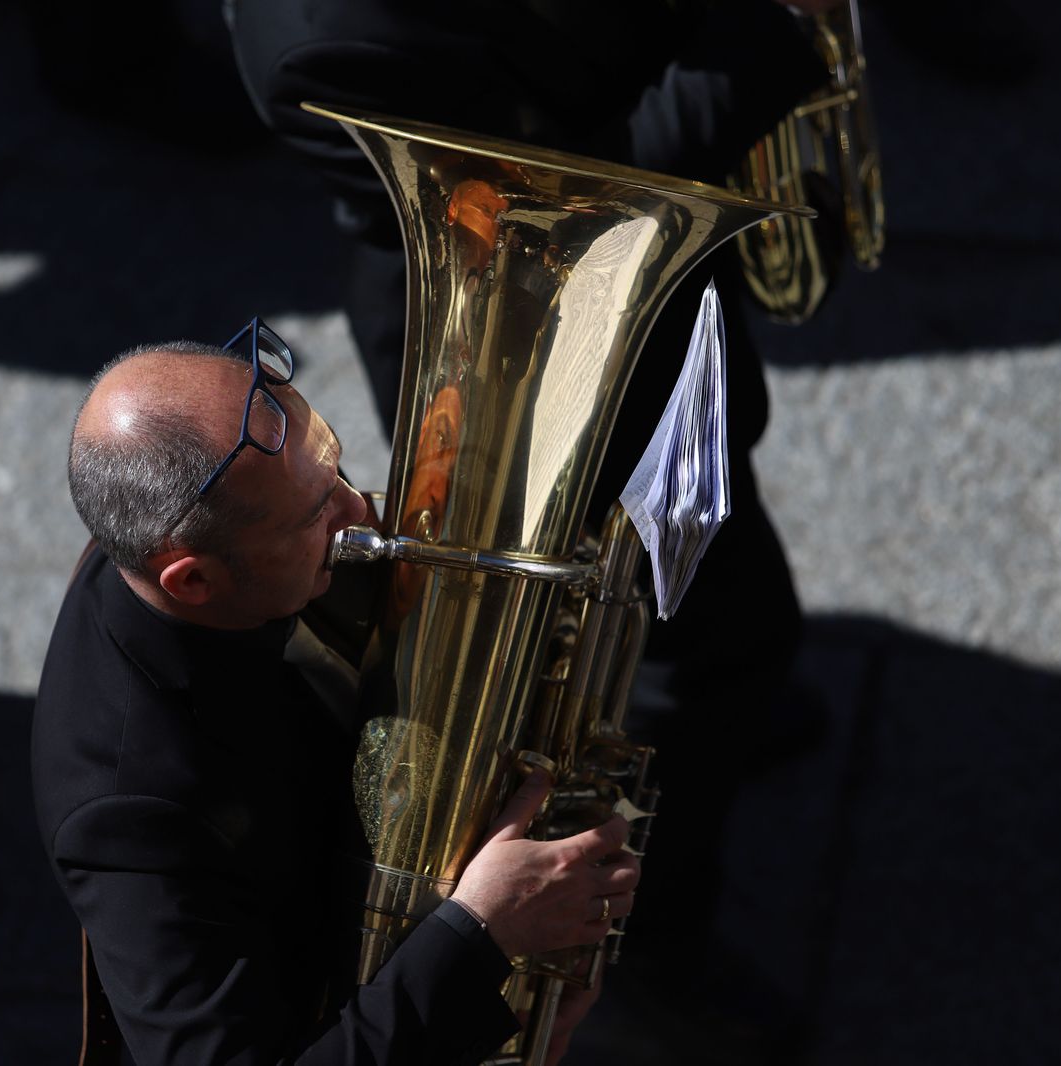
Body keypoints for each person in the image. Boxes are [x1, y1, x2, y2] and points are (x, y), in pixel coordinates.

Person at [230, 0, 840, 1050]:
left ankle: (719, 720)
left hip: (642, 286)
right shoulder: (326, 35)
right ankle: (644, 930)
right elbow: (562, 198)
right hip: (534, 334)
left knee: (713, 608)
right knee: (682, 665)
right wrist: (766, 44)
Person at [31, 322, 643, 1065]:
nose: (359, 512)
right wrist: (483, 933)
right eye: (314, 515)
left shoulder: (177, 537)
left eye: (336, 476)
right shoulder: (128, 818)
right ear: (190, 578)